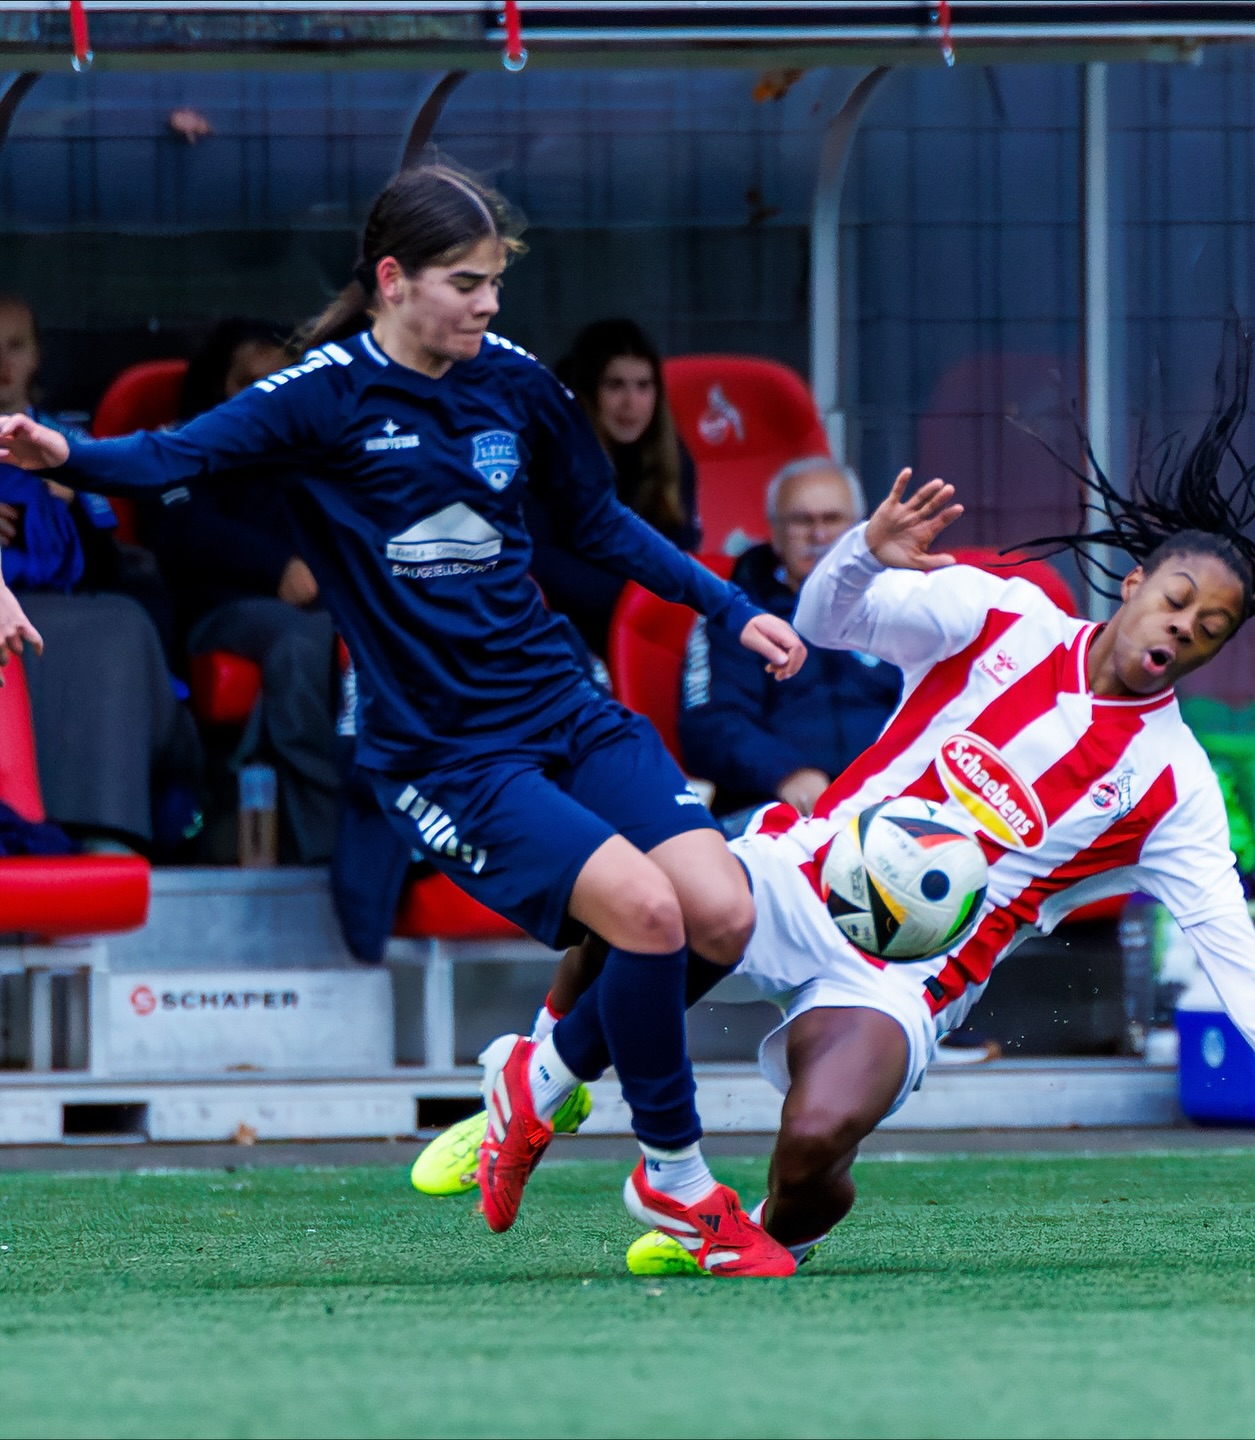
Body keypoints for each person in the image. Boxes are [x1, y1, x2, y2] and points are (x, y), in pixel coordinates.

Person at [0, 162, 807, 1277]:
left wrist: (726, 601)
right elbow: (174, 459)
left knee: (720, 911)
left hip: (564, 706)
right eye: (466, 284)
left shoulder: (518, 384)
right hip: (446, 753)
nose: (488, 305)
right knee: (650, 917)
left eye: (494, 285)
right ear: (393, 279)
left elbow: (601, 523)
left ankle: (545, 1077)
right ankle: (674, 1185)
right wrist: (66, 454)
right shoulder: (319, 396)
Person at [495, 322, 1255, 1276]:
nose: (1181, 631)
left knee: (815, 1138)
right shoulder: (1002, 613)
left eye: (1209, 631)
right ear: (1136, 583)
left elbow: (1227, 936)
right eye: (1177, 601)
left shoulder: (1171, 783)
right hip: (801, 873)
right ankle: (543, 1072)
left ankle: (782, 1225)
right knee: (658, 897)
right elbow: (824, 620)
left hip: (903, 979)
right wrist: (862, 549)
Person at [0, 295, 199, 852]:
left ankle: (108, 829)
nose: (2, 364)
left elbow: (114, 559)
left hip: (70, 606)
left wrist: (73, 500)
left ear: (38, 355)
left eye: (15, 346)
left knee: (125, 622)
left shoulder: (64, 442)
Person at [144, 317, 342, 864]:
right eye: (245, 382)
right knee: (305, 642)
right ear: (217, 389)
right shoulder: (183, 445)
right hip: (224, 613)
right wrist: (276, 566)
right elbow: (181, 532)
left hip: (326, 610)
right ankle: (329, 845)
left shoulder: (319, 451)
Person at [679, 455, 902, 820]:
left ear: (860, 529)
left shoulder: (898, 600)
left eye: (832, 519)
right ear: (775, 533)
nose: (818, 535)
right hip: (775, 808)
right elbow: (710, 724)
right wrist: (788, 775)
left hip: (893, 800)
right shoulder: (733, 611)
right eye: (802, 520)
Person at [525, 318, 700, 654]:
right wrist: (629, 595)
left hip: (651, 626)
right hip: (566, 630)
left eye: (643, 386)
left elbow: (682, 548)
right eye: (615, 385)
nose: (631, 403)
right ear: (588, 392)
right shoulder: (545, 454)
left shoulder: (672, 457)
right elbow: (537, 558)